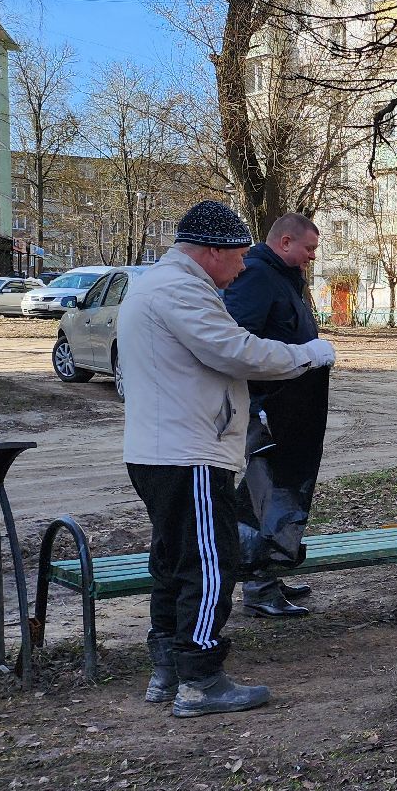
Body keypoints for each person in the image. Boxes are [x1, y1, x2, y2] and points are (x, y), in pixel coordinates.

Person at [122, 201, 336, 717]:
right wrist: (304, 355)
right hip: (187, 451)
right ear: (211, 251)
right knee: (209, 563)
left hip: (167, 447)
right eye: (238, 256)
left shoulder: (165, 285)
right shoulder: (179, 290)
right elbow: (235, 349)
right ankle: (201, 678)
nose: (243, 267)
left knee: (173, 561)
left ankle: (168, 671)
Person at [224, 213, 328, 618]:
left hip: (290, 405)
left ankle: (270, 572)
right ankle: (258, 585)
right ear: (285, 242)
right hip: (264, 407)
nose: (311, 257)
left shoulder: (283, 277)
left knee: (283, 491)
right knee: (262, 495)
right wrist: (260, 405)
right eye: (309, 249)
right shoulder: (255, 277)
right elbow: (239, 342)